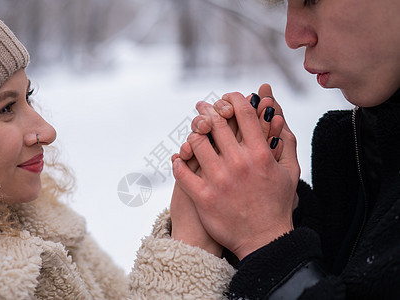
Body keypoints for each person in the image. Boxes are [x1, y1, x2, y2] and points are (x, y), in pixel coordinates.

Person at [0, 0, 240, 298]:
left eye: (29, 96)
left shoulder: (38, 220)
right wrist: (190, 244)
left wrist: (192, 218)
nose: (47, 132)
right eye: (6, 108)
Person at [171, 0, 400, 299]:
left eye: (311, 0)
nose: (291, 37)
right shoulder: (357, 153)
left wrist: (265, 242)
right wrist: (283, 211)